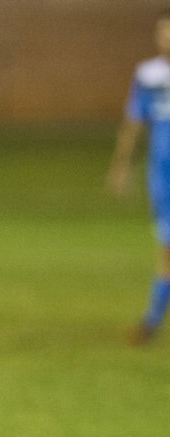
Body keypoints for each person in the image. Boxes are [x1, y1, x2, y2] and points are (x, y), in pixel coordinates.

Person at [107, 9, 170, 345]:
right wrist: (121, 166)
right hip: (162, 173)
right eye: (162, 32)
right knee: (166, 246)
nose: (166, 38)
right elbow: (134, 122)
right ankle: (152, 321)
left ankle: (152, 321)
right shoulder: (148, 74)